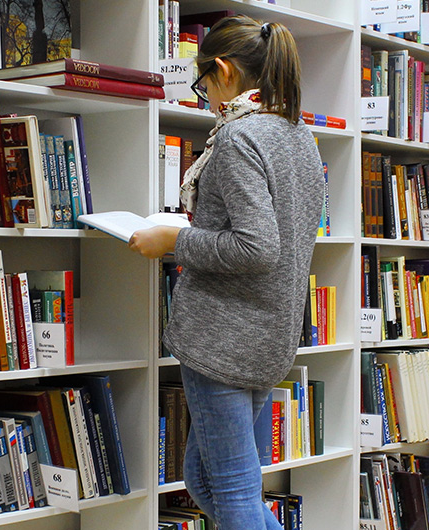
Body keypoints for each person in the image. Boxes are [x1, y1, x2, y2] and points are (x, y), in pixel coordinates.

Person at [128, 16, 323, 530]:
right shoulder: (298, 133)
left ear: (223, 71)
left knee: (234, 487)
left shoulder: (239, 137)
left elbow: (257, 248)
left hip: (224, 337)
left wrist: (173, 240)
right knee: (204, 479)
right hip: (269, 334)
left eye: (203, 85)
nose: (205, 97)